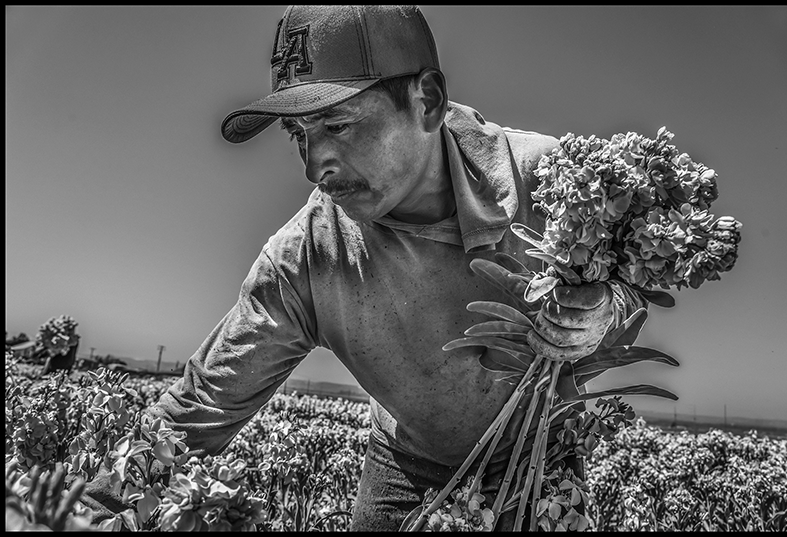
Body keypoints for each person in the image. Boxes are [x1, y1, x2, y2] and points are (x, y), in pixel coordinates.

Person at [85, 5, 647, 531]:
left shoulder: (553, 183)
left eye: (337, 125)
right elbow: (199, 408)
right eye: (297, 136)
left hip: (540, 460)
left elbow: (629, 286)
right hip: (405, 463)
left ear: (426, 101)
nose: (314, 166)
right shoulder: (307, 257)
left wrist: (598, 313)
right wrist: (78, 515)